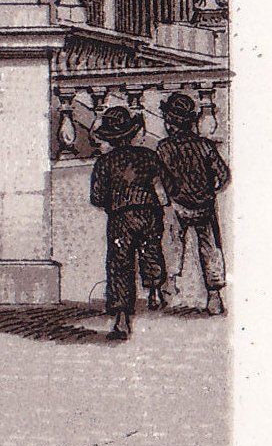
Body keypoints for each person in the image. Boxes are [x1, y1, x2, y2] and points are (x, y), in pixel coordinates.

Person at [88, 106, 169, 338]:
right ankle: (154, 291)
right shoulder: (148, 155)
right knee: (151, 249)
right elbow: (162, 183)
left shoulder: (104, 163)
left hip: (120, 216)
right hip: (148, 211)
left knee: (119, 263)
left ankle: (122, 318)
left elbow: (96, 198)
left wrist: (113, 203)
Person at [155, 91, 229, 314]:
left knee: (172, 246)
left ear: (170, 123)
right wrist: (211, 190)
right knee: (211, 250)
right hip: (204, 205)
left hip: (177, 205)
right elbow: (224, 175)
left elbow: (159, 179)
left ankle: (169, 289)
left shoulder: (163, 148)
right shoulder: (205, 146)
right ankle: (214, 297)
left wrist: (168, 197)